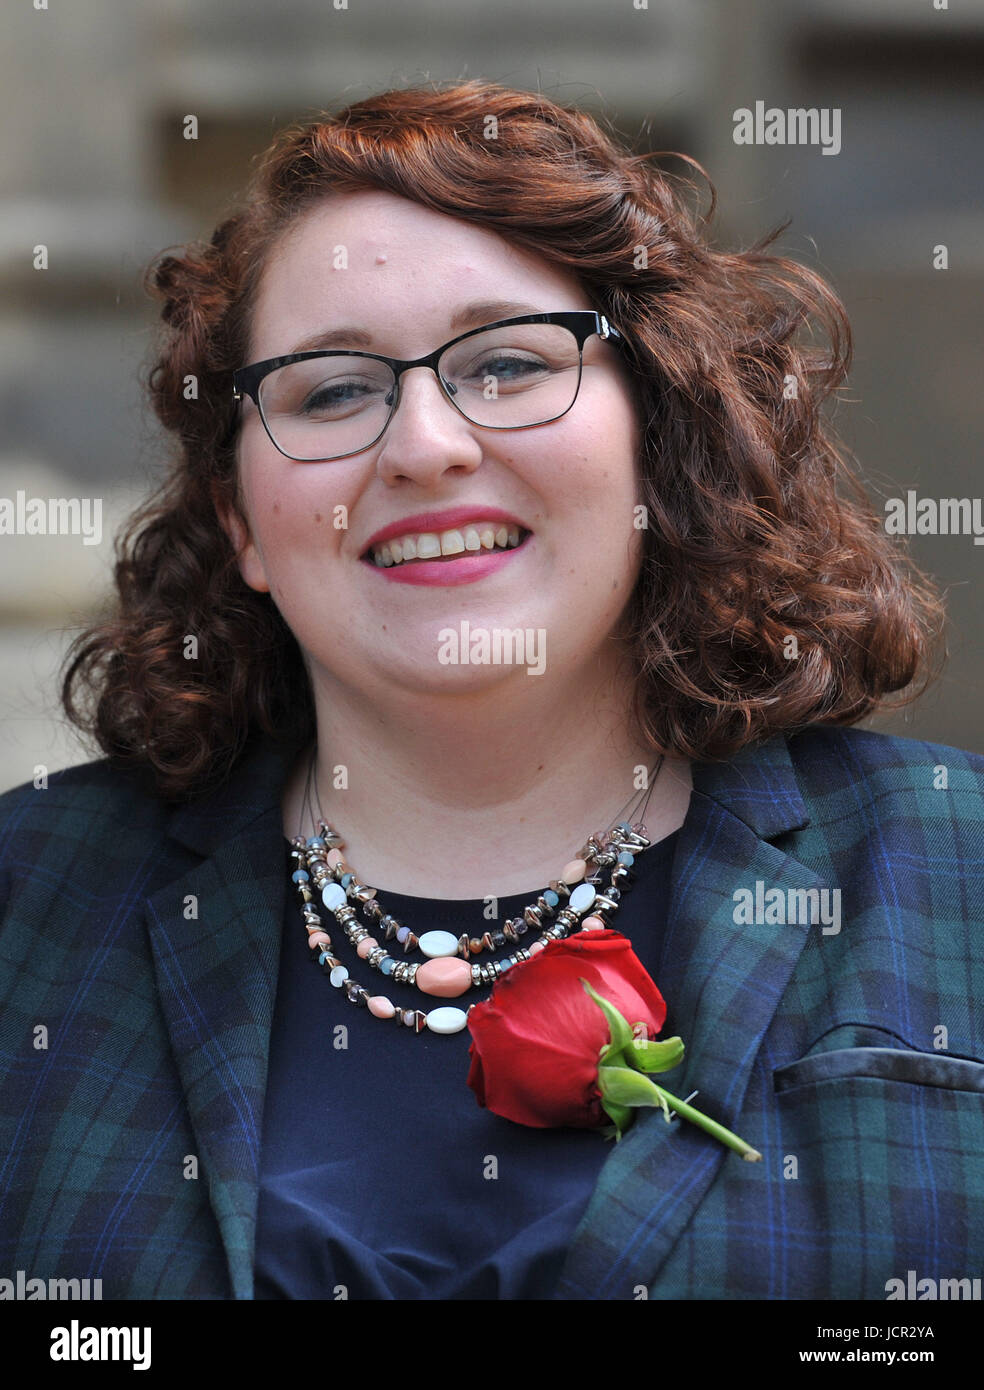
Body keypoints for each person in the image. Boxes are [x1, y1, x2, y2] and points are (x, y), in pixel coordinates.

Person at [0, 78, 981, 1303]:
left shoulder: (954, 865)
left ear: (657, 435)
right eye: (334, 389)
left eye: (508, 363)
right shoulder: (29, 900)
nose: (424, 444)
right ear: (241, 518)